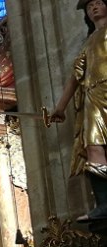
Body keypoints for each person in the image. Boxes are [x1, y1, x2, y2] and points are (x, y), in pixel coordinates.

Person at [51, 0, 107, 222]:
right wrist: (60, 107)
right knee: (92, 147)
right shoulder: (87, 43)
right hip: (93, 94)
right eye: (89, 6)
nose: (93, 7)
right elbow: (76, 77)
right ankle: (103, 205)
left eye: (98, 3)